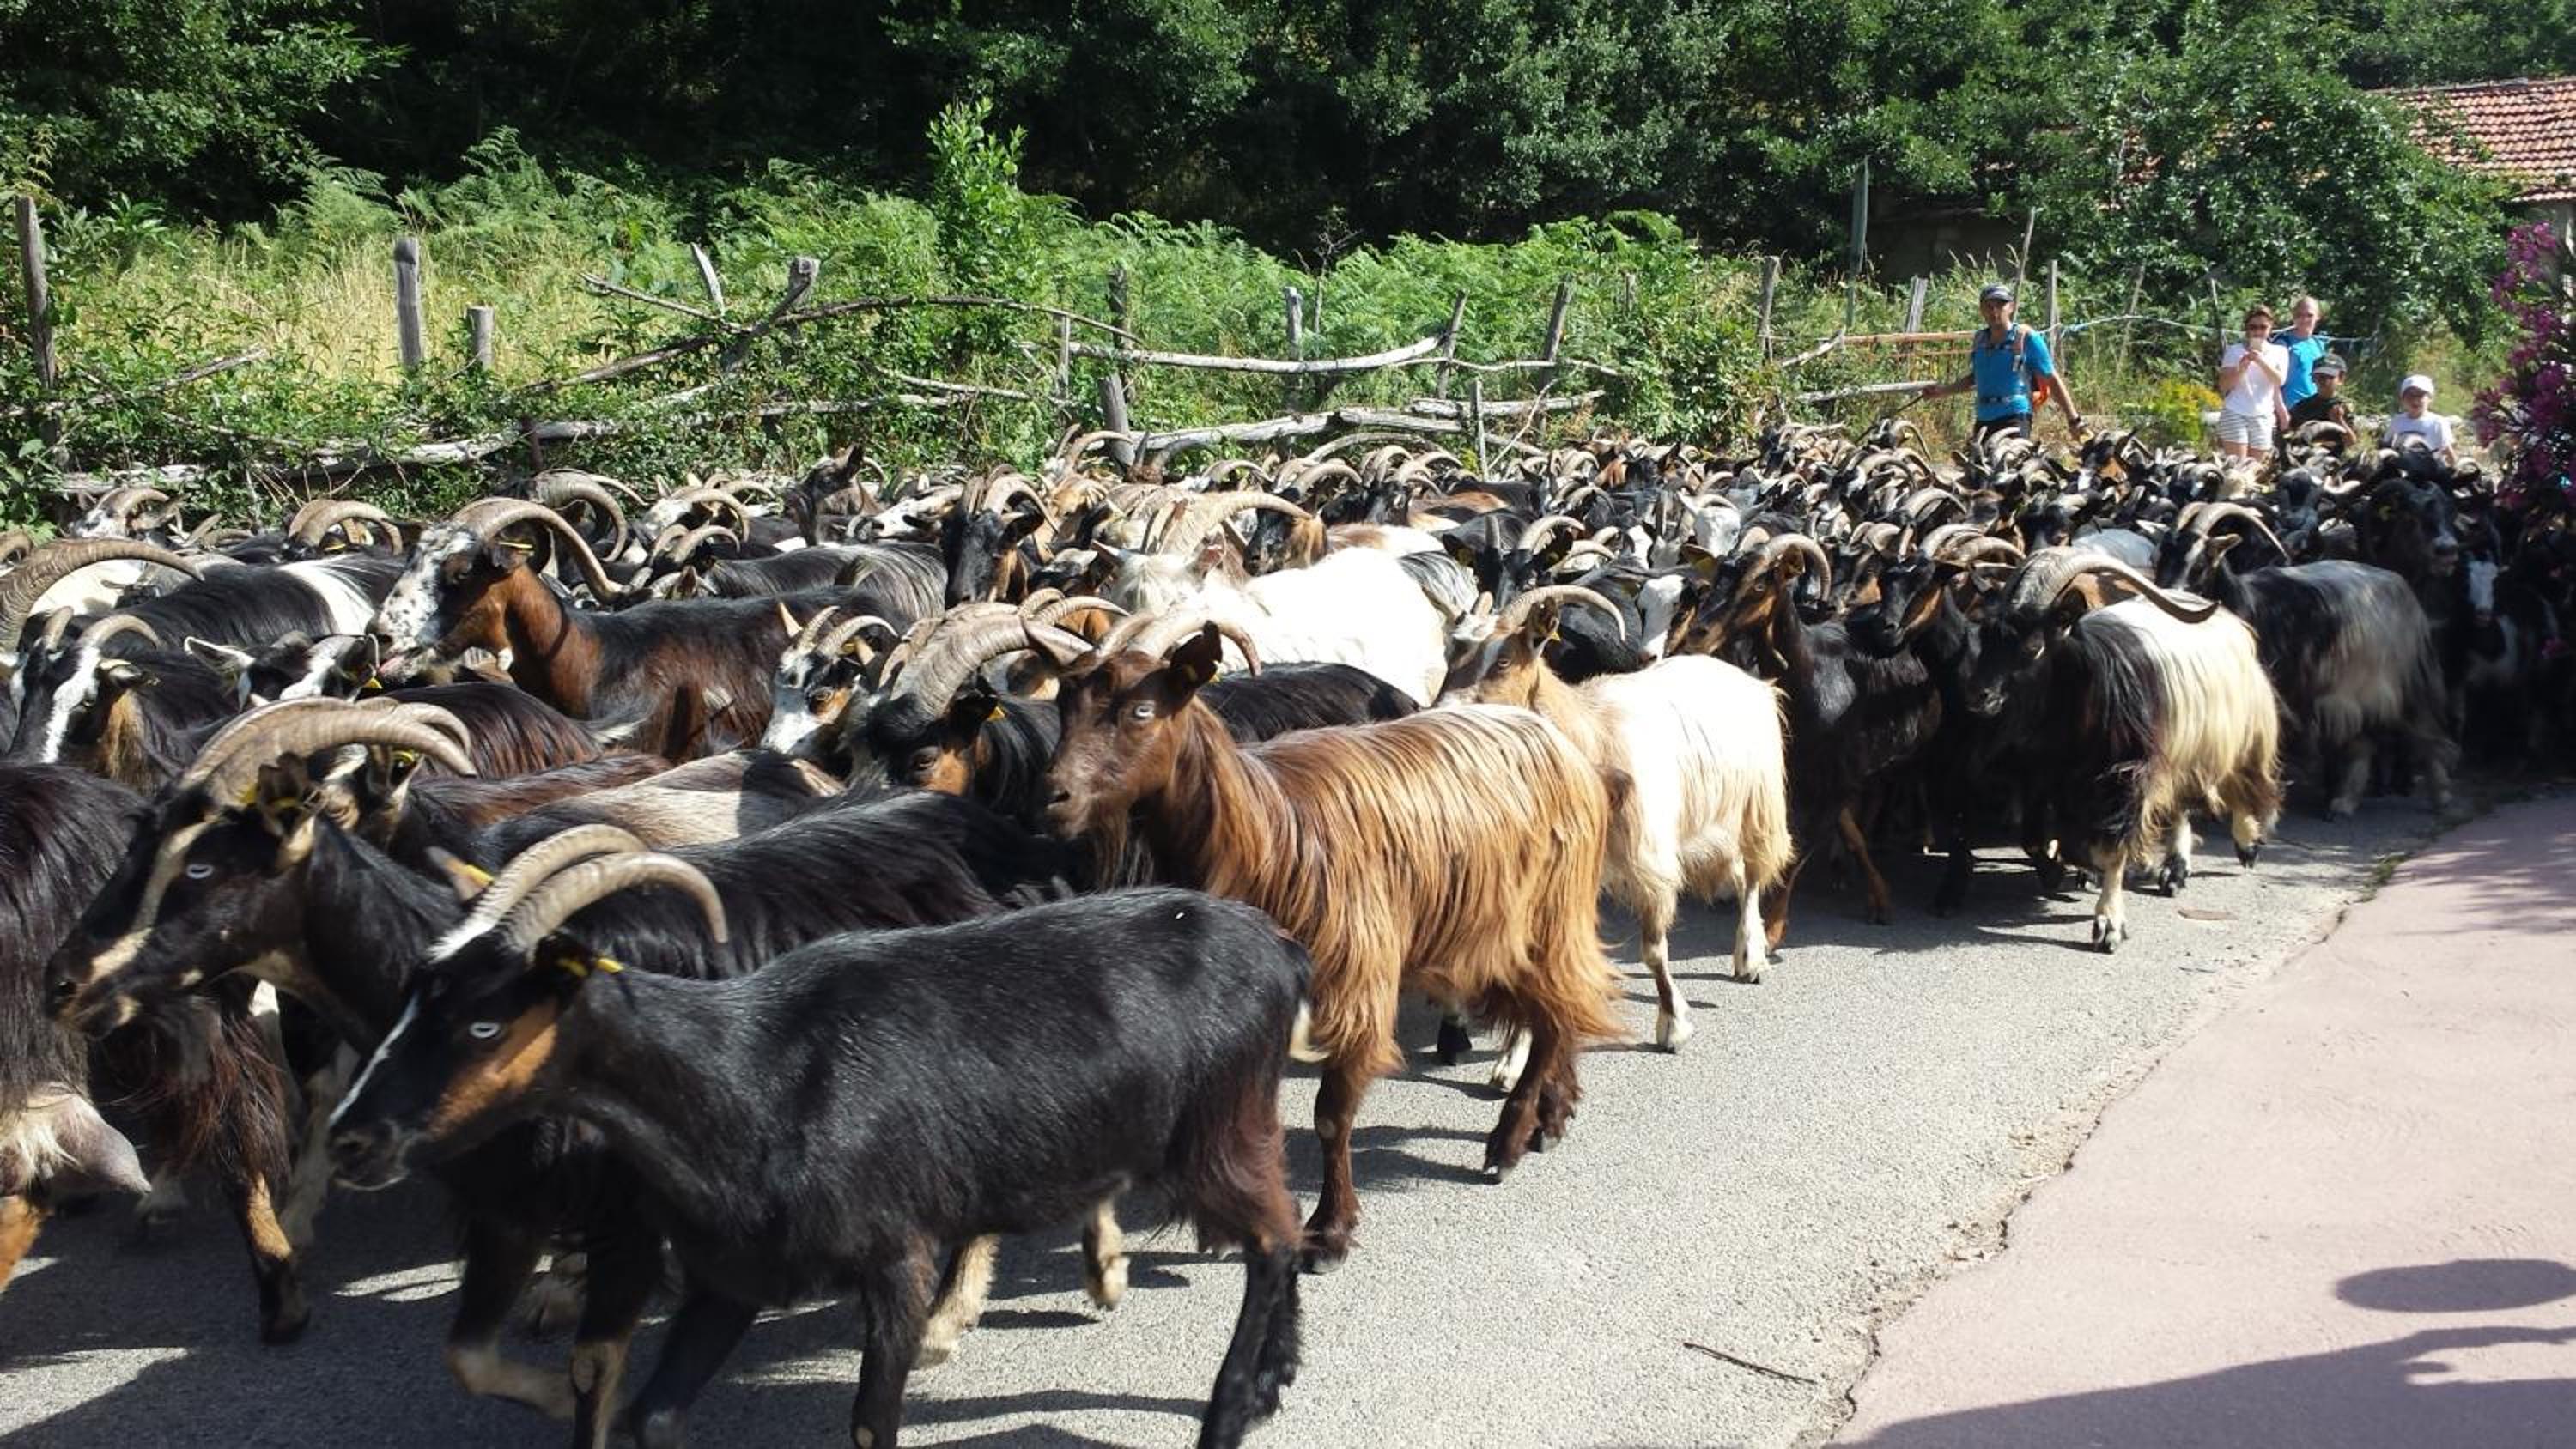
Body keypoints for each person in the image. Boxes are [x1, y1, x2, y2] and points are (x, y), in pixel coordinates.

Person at [1919, 282, 2084, 442]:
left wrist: (2073, 419)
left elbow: (2051, 378)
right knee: (1977, 461)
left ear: (2011, 307)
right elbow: (1976, 378)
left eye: (2000, 305)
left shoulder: (2027, 339)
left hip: (2015, 416)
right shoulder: (1980, 340)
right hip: (1984, 418)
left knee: (2006, 459)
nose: (1994, 311)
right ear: (1981, 310)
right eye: (1989, 306)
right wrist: (1943, 391)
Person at [2215, 305, 2288, 460]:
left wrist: (2261, 361)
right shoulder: (2234, 351)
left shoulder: (2280, 351)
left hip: (2263, 415)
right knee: (2237, 466)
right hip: (2235, 411)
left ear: (2271, 327)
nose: (2258, 332)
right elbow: (2223, 386)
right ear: (2246, 328)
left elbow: (2279, 381)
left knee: (2256, 468)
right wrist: (2241, 368)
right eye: (2253, 327)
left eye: (2263, 327)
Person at [2386, 373, 2457, 464]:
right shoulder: (2397, 421)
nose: (2415, 401)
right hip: (2401, 465)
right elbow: (2387, 445)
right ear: (2402, 399)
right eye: (2410, 396)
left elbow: (2448, 451)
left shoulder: (2437, 422)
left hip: (2429, 467)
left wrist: (2454, 468)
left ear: (2430, 398)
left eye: (2420, 396)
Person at [2278, 295, 2330, 411]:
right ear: (2293, 316)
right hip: (2290, 409)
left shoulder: (2319, 345)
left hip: (2315, 408)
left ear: (2318, 316)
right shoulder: (2283, 344)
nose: (2304, 319)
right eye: (2299, 315)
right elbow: (2273, 382)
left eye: (2309, 315)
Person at [2287, 352, 2357, 433]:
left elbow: (2352, 439)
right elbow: (2290, 432)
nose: (2324, 381)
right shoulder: (2303, 407)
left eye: (2330, 377)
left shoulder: (2344, 406)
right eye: (2320, 377)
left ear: (2341, 378)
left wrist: (2339, 420)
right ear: (2313, 378)